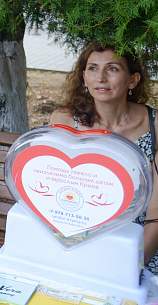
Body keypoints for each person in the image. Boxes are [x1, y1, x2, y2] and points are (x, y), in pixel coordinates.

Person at [50, 41, 158, 274]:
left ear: (133, 80)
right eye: (92, 68)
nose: (100, 78)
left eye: (112, 69)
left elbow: (156, 216)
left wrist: (134, 267)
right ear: (84, 78)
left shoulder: (155, 125)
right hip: (77, 237)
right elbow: (53, 195)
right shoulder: (65, 121)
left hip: (139, 240)